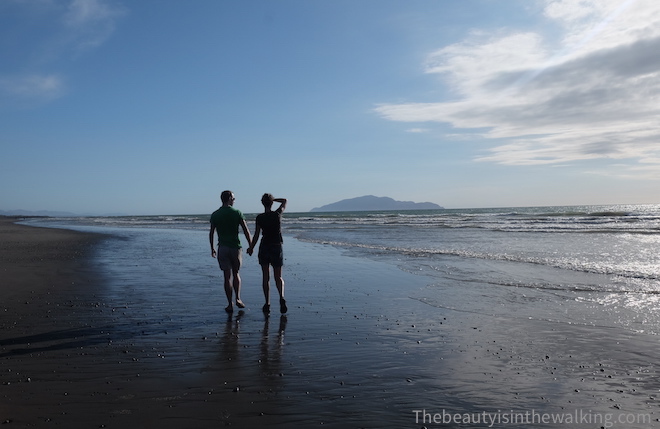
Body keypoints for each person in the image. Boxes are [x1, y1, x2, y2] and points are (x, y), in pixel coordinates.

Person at [210, 190, 253, 313]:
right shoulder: (237, 213)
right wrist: (251, 245)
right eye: (233, 198)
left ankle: (230, 303)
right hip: (235, 247)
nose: (234, 200)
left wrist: (212, 247)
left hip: (222, 247)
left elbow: (211, 232)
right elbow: (246, 230)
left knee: (226, 277)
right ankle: (238, 298)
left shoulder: (215, 214)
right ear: (229, 199)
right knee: (236, 273)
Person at [248, 194, 287, 314]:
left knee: (266, 277)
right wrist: (273, 200)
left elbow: (256, 234)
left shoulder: (260, 218)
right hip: (276, 246)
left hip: (264, 246)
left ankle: (267, 302)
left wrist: (251, 247)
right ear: (271, 203)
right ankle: (281, 297)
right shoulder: (277, 214)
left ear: (262, 203)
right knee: (278, 276)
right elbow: (285, 201)